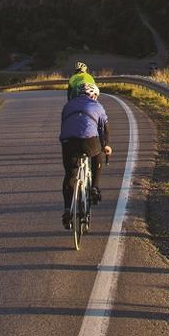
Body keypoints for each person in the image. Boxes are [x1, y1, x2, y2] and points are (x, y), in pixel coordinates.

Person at [59, 82, 113, 228]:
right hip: (89, 141)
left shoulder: (68, 105)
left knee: (70, 174)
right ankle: (94, 188)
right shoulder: (98, 106)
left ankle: (67, 210)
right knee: (97, 157)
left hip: (68, 142)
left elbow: (65, 125)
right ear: (94, 95)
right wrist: (105, 145)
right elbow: (104, 129)